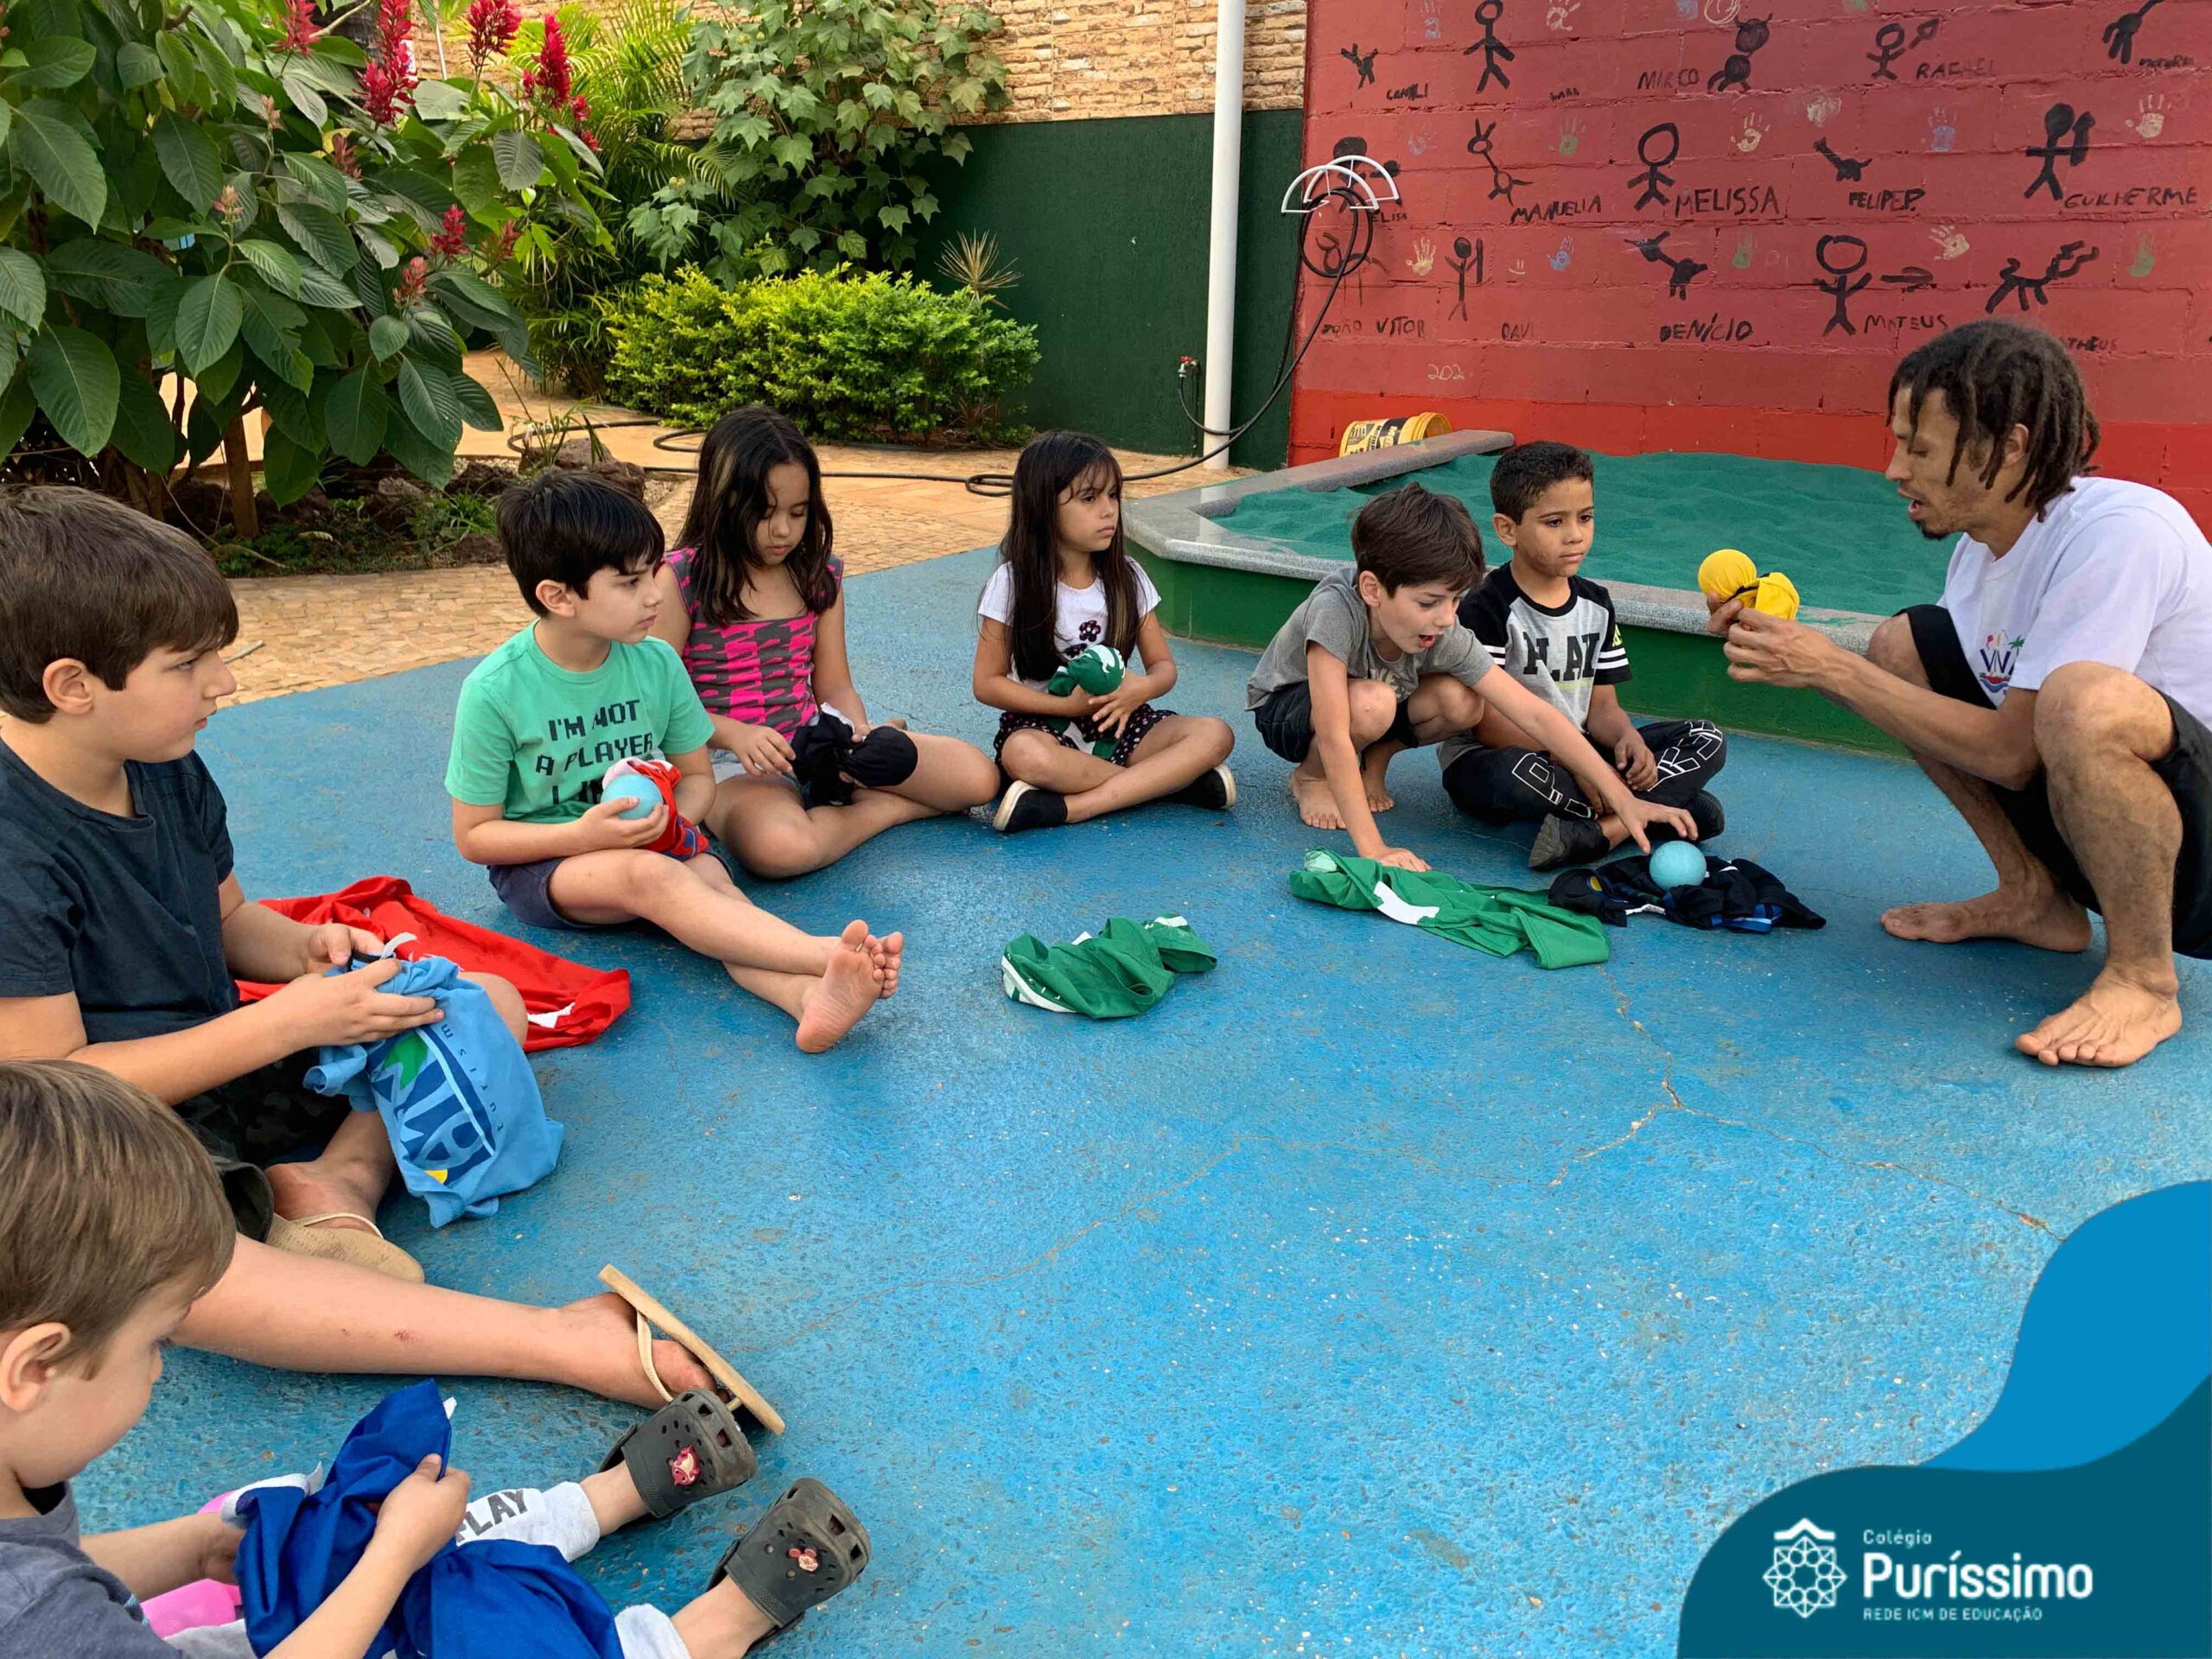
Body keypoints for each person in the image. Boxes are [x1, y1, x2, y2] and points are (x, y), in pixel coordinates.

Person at [0, 485, 747, 1408]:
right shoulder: (14, 847)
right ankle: (557, 1340)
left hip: (218, 1061)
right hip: (88, 1133)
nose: (222, 683)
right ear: (73, 686)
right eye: (188, 664)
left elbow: (229, 921)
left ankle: (338, 1179)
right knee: (181, 1278)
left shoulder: (164, 766)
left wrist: (313, 951)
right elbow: (52, 1083)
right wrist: (288, 1025)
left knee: (485, 1000)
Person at [0, 1058, 870, 1659]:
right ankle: (703, 1634)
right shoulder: (37, 1620)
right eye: (155, 1341)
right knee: (448, 1608)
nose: (158, 1369)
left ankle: (601, 1500)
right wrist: (387, 1561)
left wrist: (199, 1548)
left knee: (406, 1551)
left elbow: (50, 1567)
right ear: (35, 1367)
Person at [1709, 319, 2212, 1067]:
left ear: (2007, 447)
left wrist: (1832, 669)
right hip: (2098, 835)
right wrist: (1804, 659)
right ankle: (2035, 896)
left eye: (1919, 449)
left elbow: (2013, 754)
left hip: (2197, 866)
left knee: (2080, 699)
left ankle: (2144, 977)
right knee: (1900, 647)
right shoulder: (1982, 552)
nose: (1894, 469)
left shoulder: (2122, 533)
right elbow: (1954, 723)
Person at [446, 471, 902, 1054]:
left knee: (716, 893)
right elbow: (475, 836)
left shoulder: (656, 663)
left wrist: (673, 822)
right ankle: (824, 953)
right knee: (655, 879)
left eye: (651, 573)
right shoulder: (495, 692)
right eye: (629, 583)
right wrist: (584, 835)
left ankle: (806, 997)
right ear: (559, 597)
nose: (655, 596)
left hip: (653, 840)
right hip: (546, 861)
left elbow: (698, 777)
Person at [1246, 481, 1697, 872]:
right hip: (1288, 711)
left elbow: (1535, 714)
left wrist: (1623, 799)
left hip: (1372, 703)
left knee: (1463, 700)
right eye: (1429, 602)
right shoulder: (1336, 611)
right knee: (1371, 703)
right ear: (1372, 589)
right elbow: (1333, 732)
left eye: (1457, 600)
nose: (1446, 618)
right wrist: (1375, 850)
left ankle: (1373, 756)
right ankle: (1311, 778)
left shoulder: (1443, 629)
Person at [652, 406, 1000, 876]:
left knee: (978, 779)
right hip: (727, 760)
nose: (783, 530)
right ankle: (887, 810)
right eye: (764, 513)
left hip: (813, 743)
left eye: (797, 512)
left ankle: (858, 775)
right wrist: (736, 735)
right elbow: (656, 701)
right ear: (722, 501)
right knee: (781, 850)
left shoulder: (818, 575)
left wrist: (856, 731)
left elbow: (834, 685)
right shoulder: (681, 580)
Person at [1440, 442, 1728, 870]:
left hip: (1582, 750)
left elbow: (1603, 708)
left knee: (1707, 738)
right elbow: (1486, 721)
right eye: (1554, 522)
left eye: (1585, 517)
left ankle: (1604, 831)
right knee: (1517, 777)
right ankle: (1658, 807)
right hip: (1502, 756)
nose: (1575, 534)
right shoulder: (1487, 606)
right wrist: (1575, 761)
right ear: (1508, 530)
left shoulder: (1597, 604)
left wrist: (1626, 738)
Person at [972, 431, 1237, 833]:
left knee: (1215, 734)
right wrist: (1067, 708)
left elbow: (1163, 667)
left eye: (1113, 495)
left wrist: (1140, 689)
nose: (1109, 510)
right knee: (1025, 756)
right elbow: (986, 683)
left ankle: (1074, 807)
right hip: (1045, 726)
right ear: (1043, 506)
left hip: (1120, 720)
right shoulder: (1013, 583)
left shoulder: (1127, 577)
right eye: (1089, 498)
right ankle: (1172, 784)